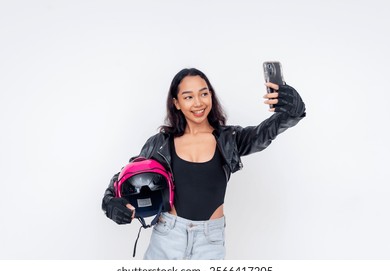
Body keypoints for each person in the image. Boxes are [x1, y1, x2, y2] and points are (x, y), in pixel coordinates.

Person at [102, 68, 306, 260]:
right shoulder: (161, 142)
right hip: (167, 236)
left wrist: (292, 112)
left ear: (211, 95)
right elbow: (125, 176)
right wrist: (110, 202)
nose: (198, 103)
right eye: (188, 97)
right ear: (177, 103)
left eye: (204, 94)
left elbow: (264, 134)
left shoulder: (229, 139)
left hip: (210, 241)